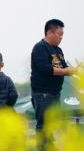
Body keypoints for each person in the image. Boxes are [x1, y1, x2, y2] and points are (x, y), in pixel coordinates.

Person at [30, 19, 76, 148]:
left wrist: (73, 70)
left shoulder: (58, 50)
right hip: (43, 94)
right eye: (59, 34)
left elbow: (64, 67)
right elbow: (44, 69)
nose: (61, 38)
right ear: (49, 33)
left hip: (55, 94)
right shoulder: (40, 48)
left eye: (62, 35)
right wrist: (65, 71)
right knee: (44, 126)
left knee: (52, 126)